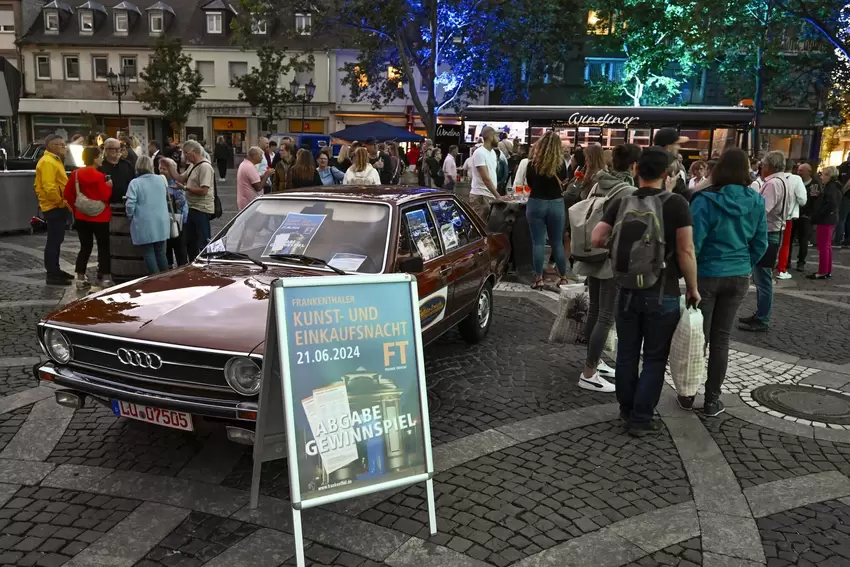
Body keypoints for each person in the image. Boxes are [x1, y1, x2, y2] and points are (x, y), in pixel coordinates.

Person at [591, 147, 699, 436]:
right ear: (666, 173)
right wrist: (693, 288)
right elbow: (686, 250)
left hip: (625, 289)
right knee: (654, 357)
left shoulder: (622, 200)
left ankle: (626, 410)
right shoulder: (676, 203)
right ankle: (641, 418)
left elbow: (597, 237)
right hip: (661, 290)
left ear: (636, 169)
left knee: (626, 353)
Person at [688, 148, 767, 416]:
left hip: (708, 273)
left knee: (699, 338)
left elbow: (694, 243)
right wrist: (745, 264)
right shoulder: (756, 200)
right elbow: (761, 243)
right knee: (721, 339)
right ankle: (712, 400)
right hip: (738, 275)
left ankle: (688, 393)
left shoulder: (704, 200)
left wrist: (690, 277)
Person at [572, 144, 639, 393]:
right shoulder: (629, 191)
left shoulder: (601, 182)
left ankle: (594, 361)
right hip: (611, 257)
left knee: (596, 311)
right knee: (605, 316)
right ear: (634, 166)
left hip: (593, 253)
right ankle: (589, 372)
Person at [739, 151, 788, 333]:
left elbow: (761, 210)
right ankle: (761, 314)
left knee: (763, 279)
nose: (761, 168)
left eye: (763, 164)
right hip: (774, 231)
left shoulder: (773, 183)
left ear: (769, 166)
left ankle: (762, 318)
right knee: (762, 277)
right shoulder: (781, 181)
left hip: (769, 232)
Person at [525, 132, 570, 290]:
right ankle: (563, 277)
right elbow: (564, 180)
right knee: (557, 242)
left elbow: (530, 184)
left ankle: (538, 279)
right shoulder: (561, 164)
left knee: (538, 242)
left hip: (536, 202)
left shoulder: (532, 164)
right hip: (556, 204)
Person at [64, 146, 114, 289]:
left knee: (85, 247)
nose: (101, 159)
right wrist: (109, 186)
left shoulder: (76, 174)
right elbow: (105, 196)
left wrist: (78, 208)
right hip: (100, 217)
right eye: (99, 156)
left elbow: (67, 194)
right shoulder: (99, 176)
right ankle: (105, 278)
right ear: (94, 158)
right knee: (104, 247)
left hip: (82, 217)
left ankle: (80, 278)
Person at [166, 140, 215, 261]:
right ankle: (193, 264)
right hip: (192, 208)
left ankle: (206, 265)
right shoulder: (193, 165)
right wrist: (169, 166)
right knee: (190, 241)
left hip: (202, 208)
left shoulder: (205, 167)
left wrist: (185, 188)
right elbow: (179, 178)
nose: (184, 156)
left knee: (203, 240)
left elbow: (204, 190)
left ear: (193, 152)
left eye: (185, 153)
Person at [35, 135, 73, 285]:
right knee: (54, 240)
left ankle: (55, 270)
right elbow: (49, 187)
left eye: (64, 145)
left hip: (57, 205)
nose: (64, 148)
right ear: (51, 146)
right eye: (61, 145)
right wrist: (61, 202)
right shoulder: (48, 162)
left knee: (57, 240)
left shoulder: (54, 161)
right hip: (54, 206)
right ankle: (52, 273)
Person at [125, 156, 171, 274]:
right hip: (161, 220)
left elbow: (130, 203)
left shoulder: (135, 183)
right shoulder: (161, 179)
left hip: (143, 221)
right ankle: (165, 276)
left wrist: (130, 216)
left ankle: (155, 278)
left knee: (148, 251)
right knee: (160, 251)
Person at [808, 166, 842, 280]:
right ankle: (827, 270)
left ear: (829, 175)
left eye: (823, 174)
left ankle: (823, 271)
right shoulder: (833, 186)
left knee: (823, 246)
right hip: (829, 219)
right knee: (827, 246)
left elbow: (830, 204)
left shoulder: (831, 187)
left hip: (826, 220)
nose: (821, 177)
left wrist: (819, 215)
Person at [775, 160, 807, 280]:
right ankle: (781, 269)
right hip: (787, 216)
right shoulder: (796, 179)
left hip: (773, 215)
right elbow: (803, 199)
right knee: (785, 243)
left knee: (771, 242)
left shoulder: (774, 178)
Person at [159, 157, 188, 268]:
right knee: (166, 250)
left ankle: (182, 270)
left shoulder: (177, 184)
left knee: (180, 249)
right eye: (160, 168)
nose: (161, 171)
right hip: (165, 220)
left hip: (178, 221)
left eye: (165, 169)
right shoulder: (159, 182)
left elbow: (180, 203)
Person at [468, 127, 501, 221]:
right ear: (491, 137)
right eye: (496, 136)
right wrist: (498, 195)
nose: (498, 139)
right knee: (479, 225)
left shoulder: (493, 153)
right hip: (480, 196)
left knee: (487, 227)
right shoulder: (479, 153)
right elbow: (485, 178)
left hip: (489, 194)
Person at [794, 163, 820, 271]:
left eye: (802, 171)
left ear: (809, 172)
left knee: (803, 240)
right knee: (790, 239)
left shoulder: (814, 184)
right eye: (799, 170)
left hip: (806, 216)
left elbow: (815, 201)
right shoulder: (795, 181)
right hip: (794, 214)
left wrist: (810, 214)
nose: (799, 173)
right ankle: (786, 261)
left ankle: (801, 262)